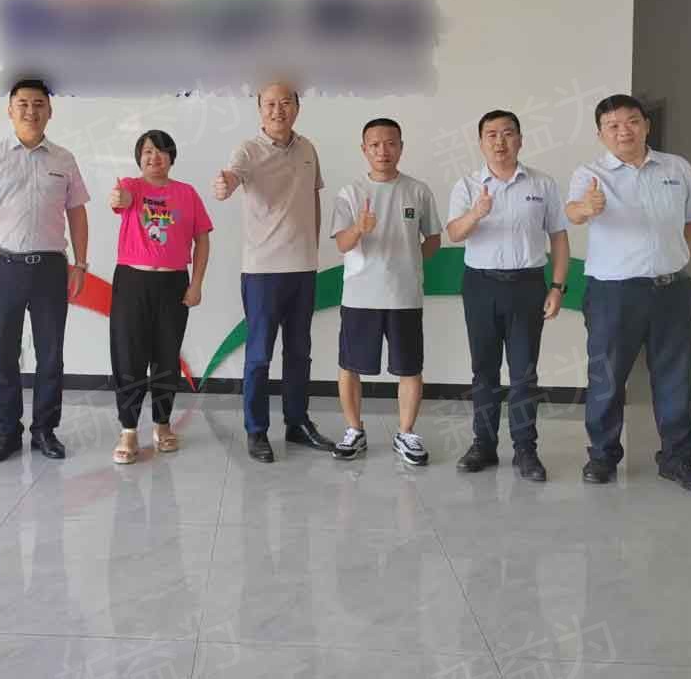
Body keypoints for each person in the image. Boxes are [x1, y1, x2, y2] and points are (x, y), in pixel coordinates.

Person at [566, 94, 691, 495]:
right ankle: (602, 457)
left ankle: (678, 461)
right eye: (613, 125)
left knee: (675, 378)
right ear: (600, 134)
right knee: (607, 376)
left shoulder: (676, 167)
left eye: (632, 121)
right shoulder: (591, 173)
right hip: (613, 293)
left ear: (646, 125)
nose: (624, 131)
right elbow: (573, 212)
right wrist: (587, 208)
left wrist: (675, 251)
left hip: (672, 291)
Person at [0, 78, 90, 463]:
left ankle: (44, 431)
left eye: (38, 104)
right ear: (10, 110)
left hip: (51, 268)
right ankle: (6, 432)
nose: (31, 111)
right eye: (23, 103)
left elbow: (77, 212)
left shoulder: (63, 159)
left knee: (50, 355)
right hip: (4, 266)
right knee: (4, 352)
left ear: (50, 111)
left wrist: (81, 263)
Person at [213, 82, 335, 463]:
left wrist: (313, 249)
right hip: (263, 271)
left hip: (303, 269)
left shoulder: (308, 149)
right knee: (259, 355)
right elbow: (232, 177)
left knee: (299, 352)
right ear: (259, 109)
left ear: (297, 107)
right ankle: (256, 430)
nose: (278, 110)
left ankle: (297, 423)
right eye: (270, 104)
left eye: (285, 103)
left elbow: (313, 197)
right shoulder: (248, 150)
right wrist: (225, 184)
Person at [446, 110, 570, 482]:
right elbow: (454, 233)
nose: (500, 141)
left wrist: (557, 287)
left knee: (524, 372)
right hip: (480, 285)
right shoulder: (467, 185)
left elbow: (559, 237)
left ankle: (525, 450)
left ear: (520, 140)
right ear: (480, 142)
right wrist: (476, 214)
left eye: (507, 133)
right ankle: (483, 445)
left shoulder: (542, 183)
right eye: (491, 134)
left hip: (528, 285)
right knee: (484, 370)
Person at [330, 118, 441, 466]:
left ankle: (406, 433)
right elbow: (342, 244)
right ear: (364, 150)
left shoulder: (418, 191)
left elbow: (433, 240)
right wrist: (359, 229)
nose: (383, 151)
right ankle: (354, 430)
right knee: (350, 366)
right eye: (375, 145)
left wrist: (408, 262)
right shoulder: (350, 193)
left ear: (401, 147)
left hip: (404, 295)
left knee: (409, 367)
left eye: (391, 143)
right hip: (360, 295)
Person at [107, 130, 212, 464]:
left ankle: (162, 424)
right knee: (129, 356)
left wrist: (196, 284)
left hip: (173, 283)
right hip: (132, 281)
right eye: (148, 152)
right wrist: (118, 197)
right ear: (140, 158)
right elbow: (120, 199)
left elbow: (202, 239)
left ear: (171, 157)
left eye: (161, 151)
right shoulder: (133, 186)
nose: (155, 157)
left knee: (167, 356)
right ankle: (128, 430)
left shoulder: (187, 193)